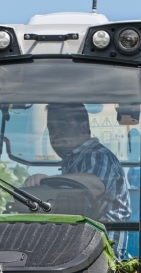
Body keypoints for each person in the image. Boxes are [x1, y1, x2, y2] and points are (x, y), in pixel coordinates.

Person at [23, 104, 132, 259]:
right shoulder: (73, 163)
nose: (56, 133)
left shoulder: (96, 154)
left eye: (63, 125)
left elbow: (95, 184)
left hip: (103, 258)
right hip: (82, 252)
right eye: (51, 128)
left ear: (83, 128)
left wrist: (46, 181)